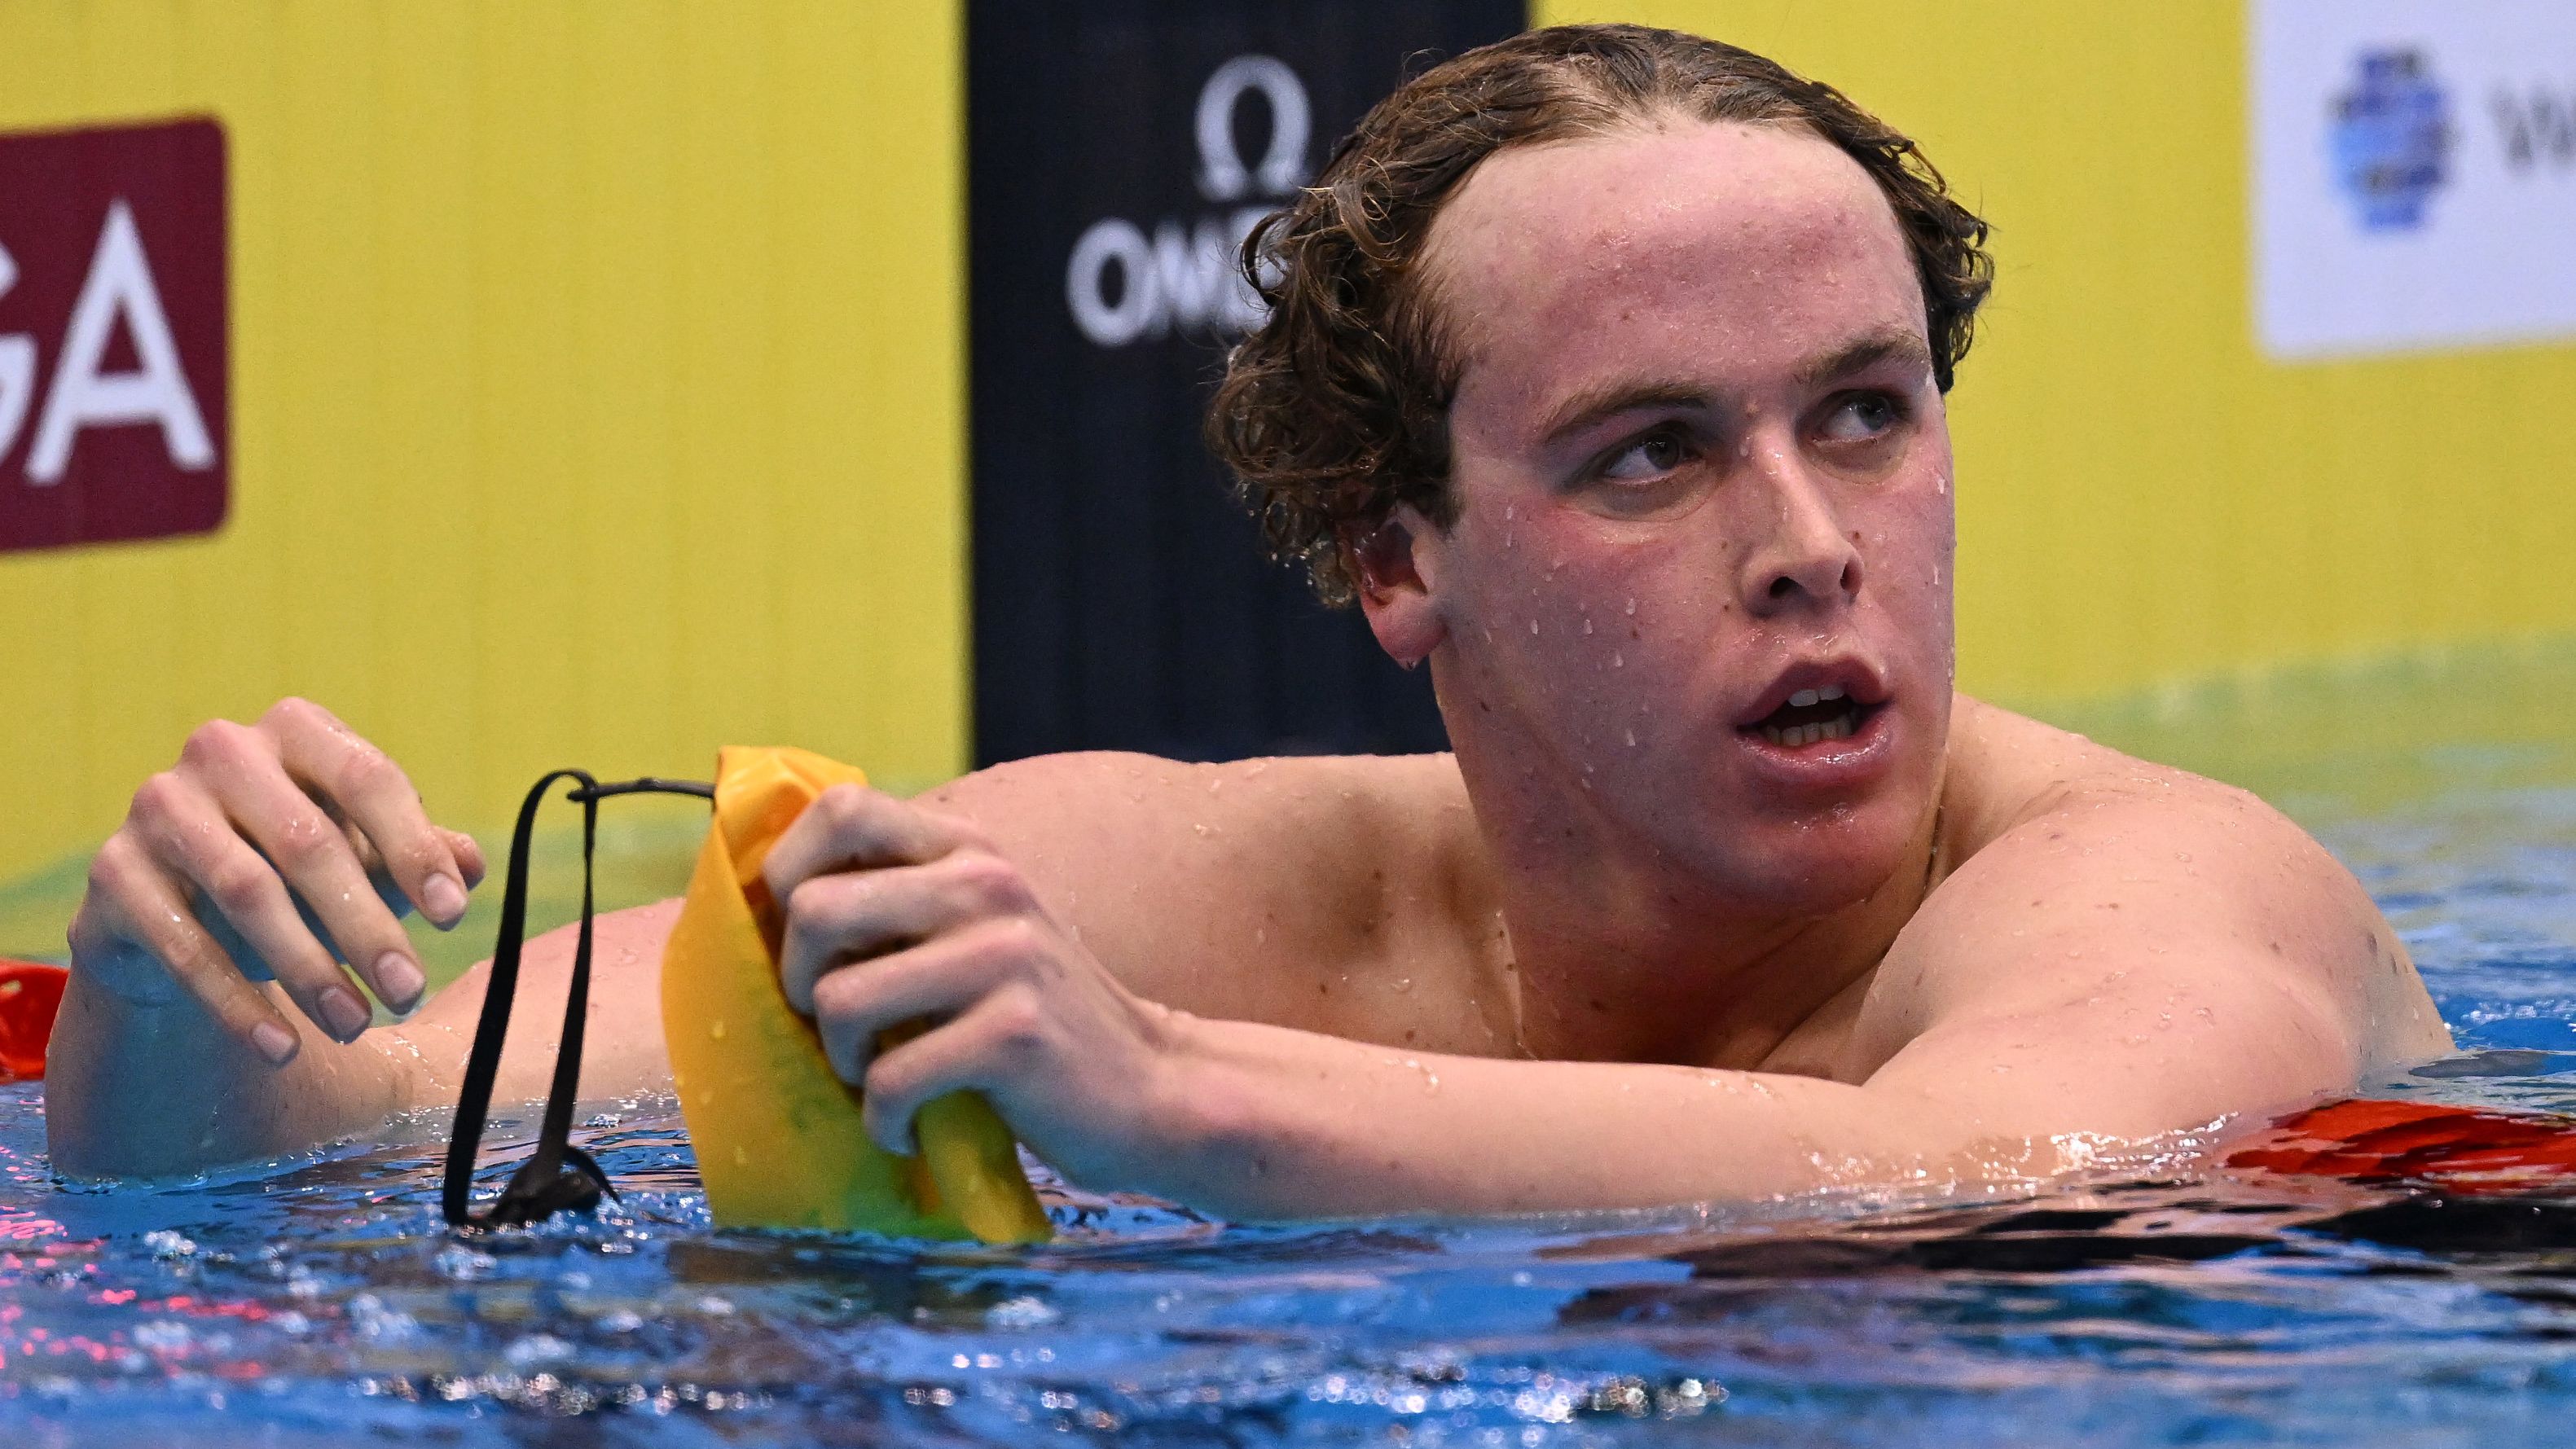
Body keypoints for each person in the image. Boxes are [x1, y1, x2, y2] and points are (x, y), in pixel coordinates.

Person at [45, 24, 2451, 1217]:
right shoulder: (1161, 889)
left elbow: (1971, 1177)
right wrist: (169, 992)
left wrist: (1170, 1100)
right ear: (1396, 558)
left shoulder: (2156, 887)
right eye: (1652, 450)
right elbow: (309, 1151)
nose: (1810, 535)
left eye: (1863, 413)